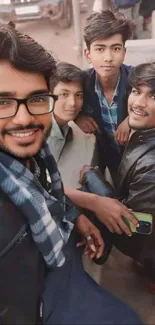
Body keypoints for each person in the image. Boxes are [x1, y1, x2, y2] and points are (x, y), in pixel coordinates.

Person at [0, 23, 142, 324]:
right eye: (3, 102)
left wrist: (76, 214)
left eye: (37, 98)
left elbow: (44, 186)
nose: (24, 118)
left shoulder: (36, 157)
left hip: (61, 262)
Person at [68, 62, 155, 291]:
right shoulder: (146, 134)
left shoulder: (152, 168)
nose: (138, 103)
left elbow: (136, 226)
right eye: (137, 92)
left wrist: (93, 183)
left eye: (153, 96)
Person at [75, 10, 134, 183]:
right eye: (100, 49)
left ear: (124, 51)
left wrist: (130, 120)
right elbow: (57, 97)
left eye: (115, 48)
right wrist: (77, 116)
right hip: (107, 154)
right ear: (88, 54)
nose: (108, 58)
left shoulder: (137, 80)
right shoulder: (82, 83)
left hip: (138, 156)